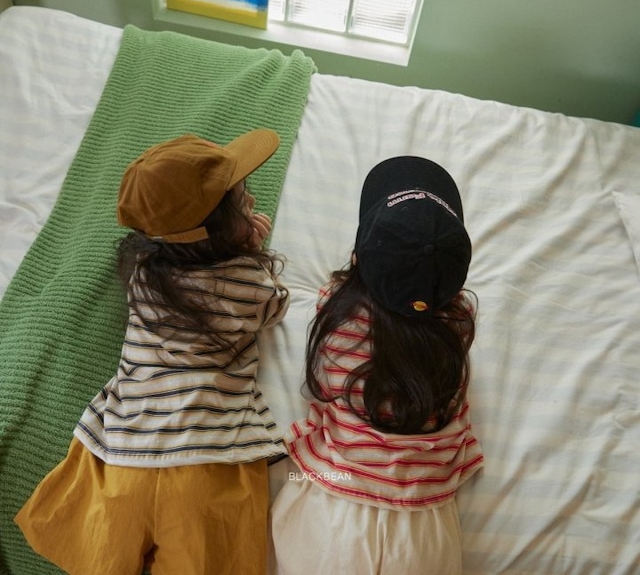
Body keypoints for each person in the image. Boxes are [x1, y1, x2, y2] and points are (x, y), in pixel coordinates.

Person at [15, 130, 290, 575]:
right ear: (221, 231)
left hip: (123, 456)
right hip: (209, 459)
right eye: (243, 201)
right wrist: (253, 252)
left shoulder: (142, 275)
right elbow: (275, 307)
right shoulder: (247, 284)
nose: (253, 201)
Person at [271, 156, 483, 575]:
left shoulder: (335, 306)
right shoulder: (458, 324)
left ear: (359, 257)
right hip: (424, 528)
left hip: (333, 501)